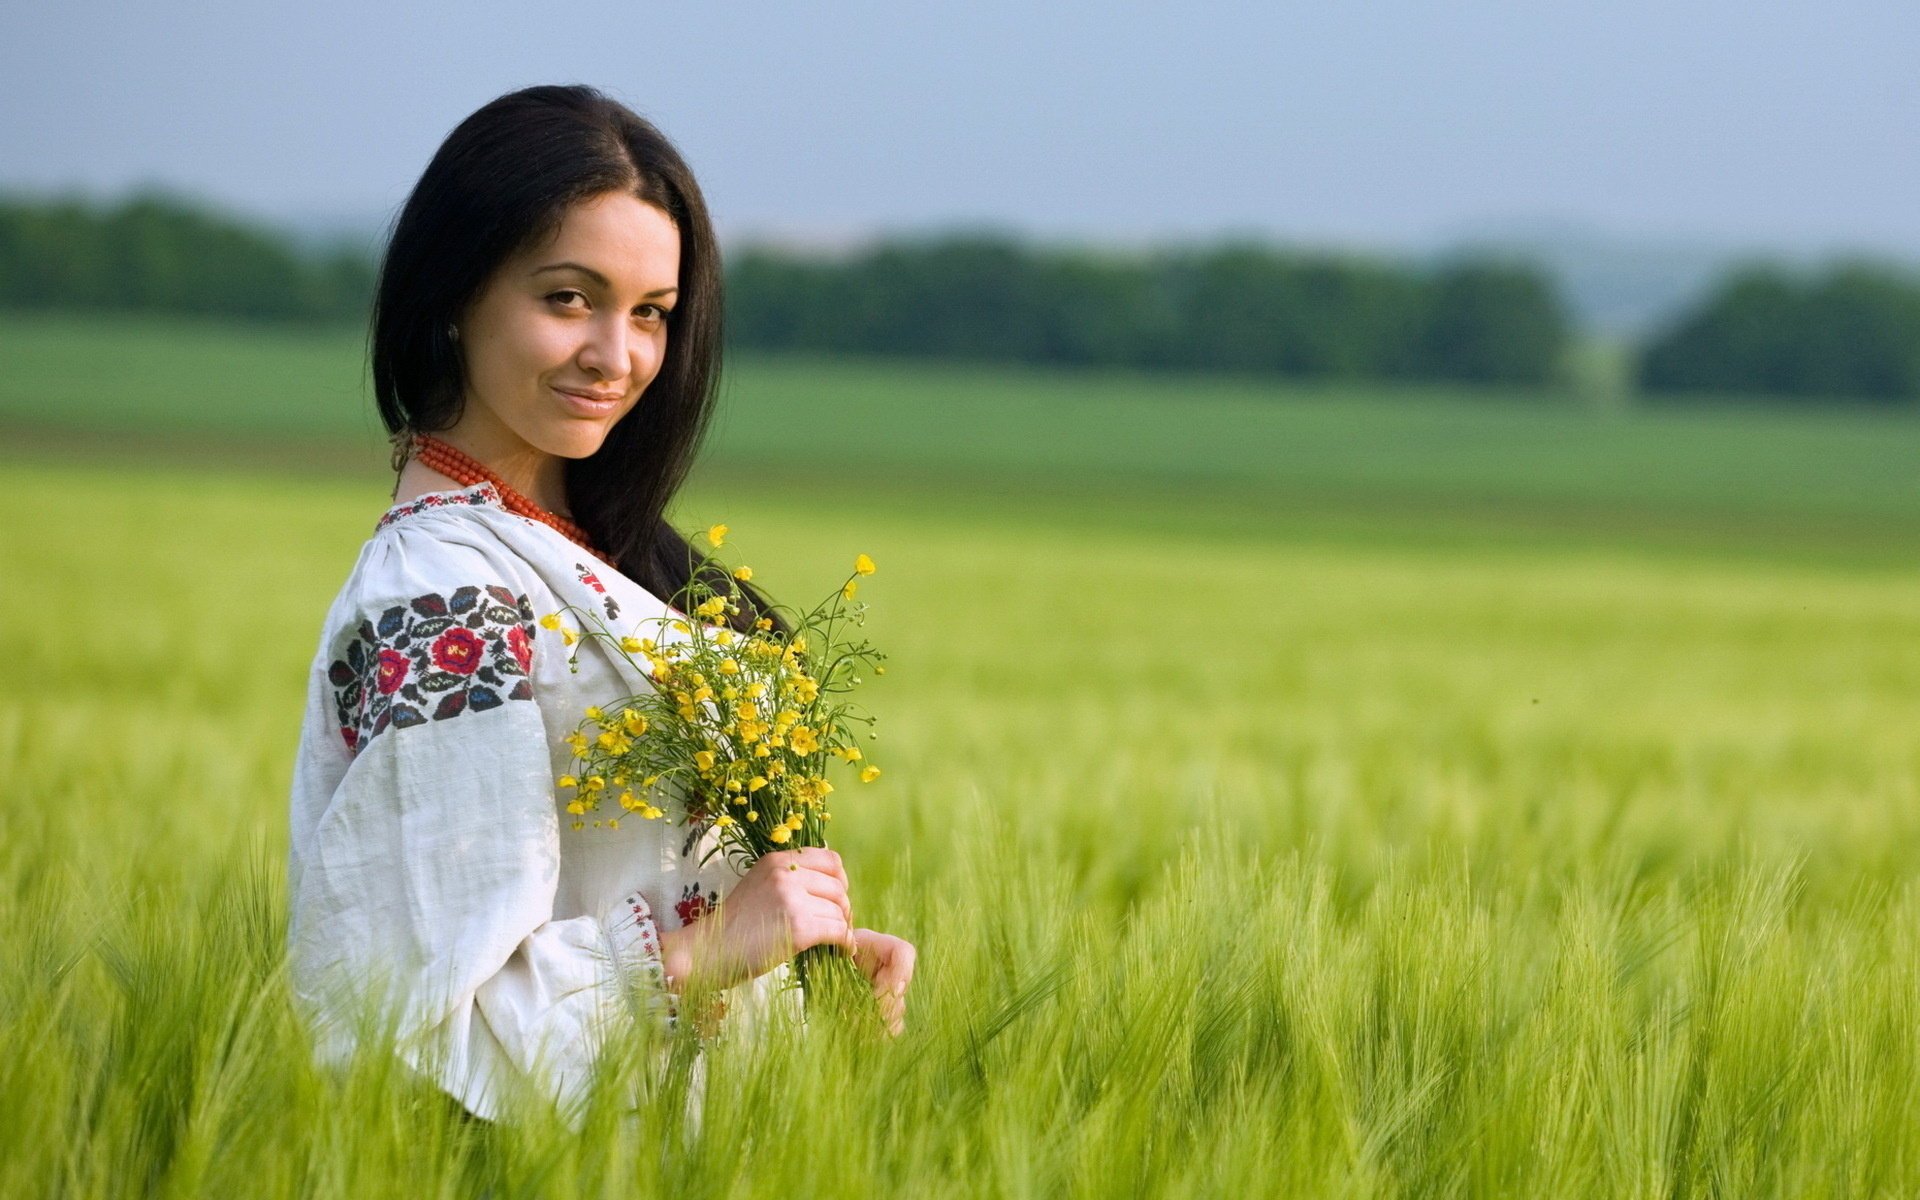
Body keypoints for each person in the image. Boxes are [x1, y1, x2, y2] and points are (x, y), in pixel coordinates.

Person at [285, 84, 915, 1126]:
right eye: (567, 298)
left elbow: (636, 868)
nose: (615, 358)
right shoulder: (446, 601)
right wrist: (708, 954)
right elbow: (407, 1023)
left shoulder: (594, 549)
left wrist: (805, 967)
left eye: (651, 314)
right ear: (455, 291)